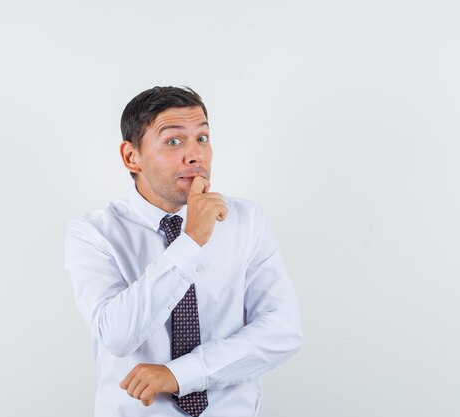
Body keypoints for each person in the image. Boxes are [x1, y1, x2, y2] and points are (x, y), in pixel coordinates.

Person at [63, 86, 303, 417]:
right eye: (174, 141)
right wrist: (191, 242)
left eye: (202, 138)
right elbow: (117, 336)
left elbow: (283, 330)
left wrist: (179, 375)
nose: (195, 155)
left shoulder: (247, 221)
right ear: (132, 156)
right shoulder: (94, 233)